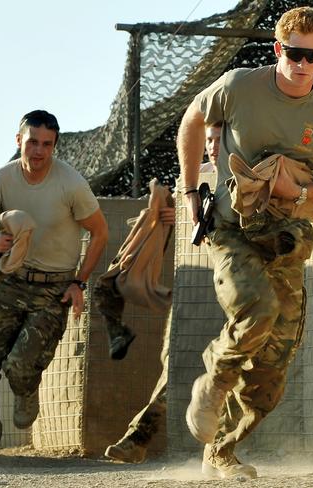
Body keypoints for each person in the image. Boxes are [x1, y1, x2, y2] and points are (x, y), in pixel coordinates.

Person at [177, 7, 313, 480]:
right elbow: (192, 121)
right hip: (231, 230)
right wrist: (189, 192)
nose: (303, 64)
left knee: (274, 363)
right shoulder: (240, 85)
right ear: (277, 49)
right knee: (255, 309)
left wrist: (301, 193)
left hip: (287, 238)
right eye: (295, 53)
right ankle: (213, 382)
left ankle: (221, 450)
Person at [0, 110, 109, 468]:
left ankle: (26, 389)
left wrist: (78, 282)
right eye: (32, 142)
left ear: (54, 146)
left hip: (52, 289)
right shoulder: (0, 180)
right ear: (18, 141)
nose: (39, 151)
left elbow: (99, 232)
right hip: (8, 282)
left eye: (47, 145)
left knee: (21, 365)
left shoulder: (70, 183)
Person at [104, 124, 221, 464]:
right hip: (194, 292)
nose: (212, 147)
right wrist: (171, 219)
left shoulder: (245, 174)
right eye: (208, 140)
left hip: (236, 293)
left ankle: (213, 448)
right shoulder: (193, 181)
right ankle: (138, 439)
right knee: (175, 365)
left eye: (218, 139)